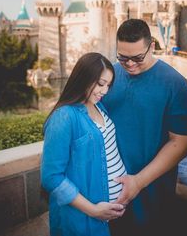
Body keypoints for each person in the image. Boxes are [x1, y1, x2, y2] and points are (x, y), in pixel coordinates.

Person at [102, 19, 187, 236]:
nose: (130, 64)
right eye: (123, 57)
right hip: (109, 189)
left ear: (152, 46)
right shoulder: (109, 77)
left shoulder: (175, 84)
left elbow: (181, 143)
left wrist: (138, 182)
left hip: (154, 189)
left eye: (137, 57)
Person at [41, 52, 127, 236]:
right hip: (85, 216)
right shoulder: (63, 117)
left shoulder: (98, 105)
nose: (104, 91)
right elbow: (51, 177)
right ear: (84, 78)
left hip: (110, 213)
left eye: (108, 85)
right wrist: (94, 210)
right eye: (101, 84)